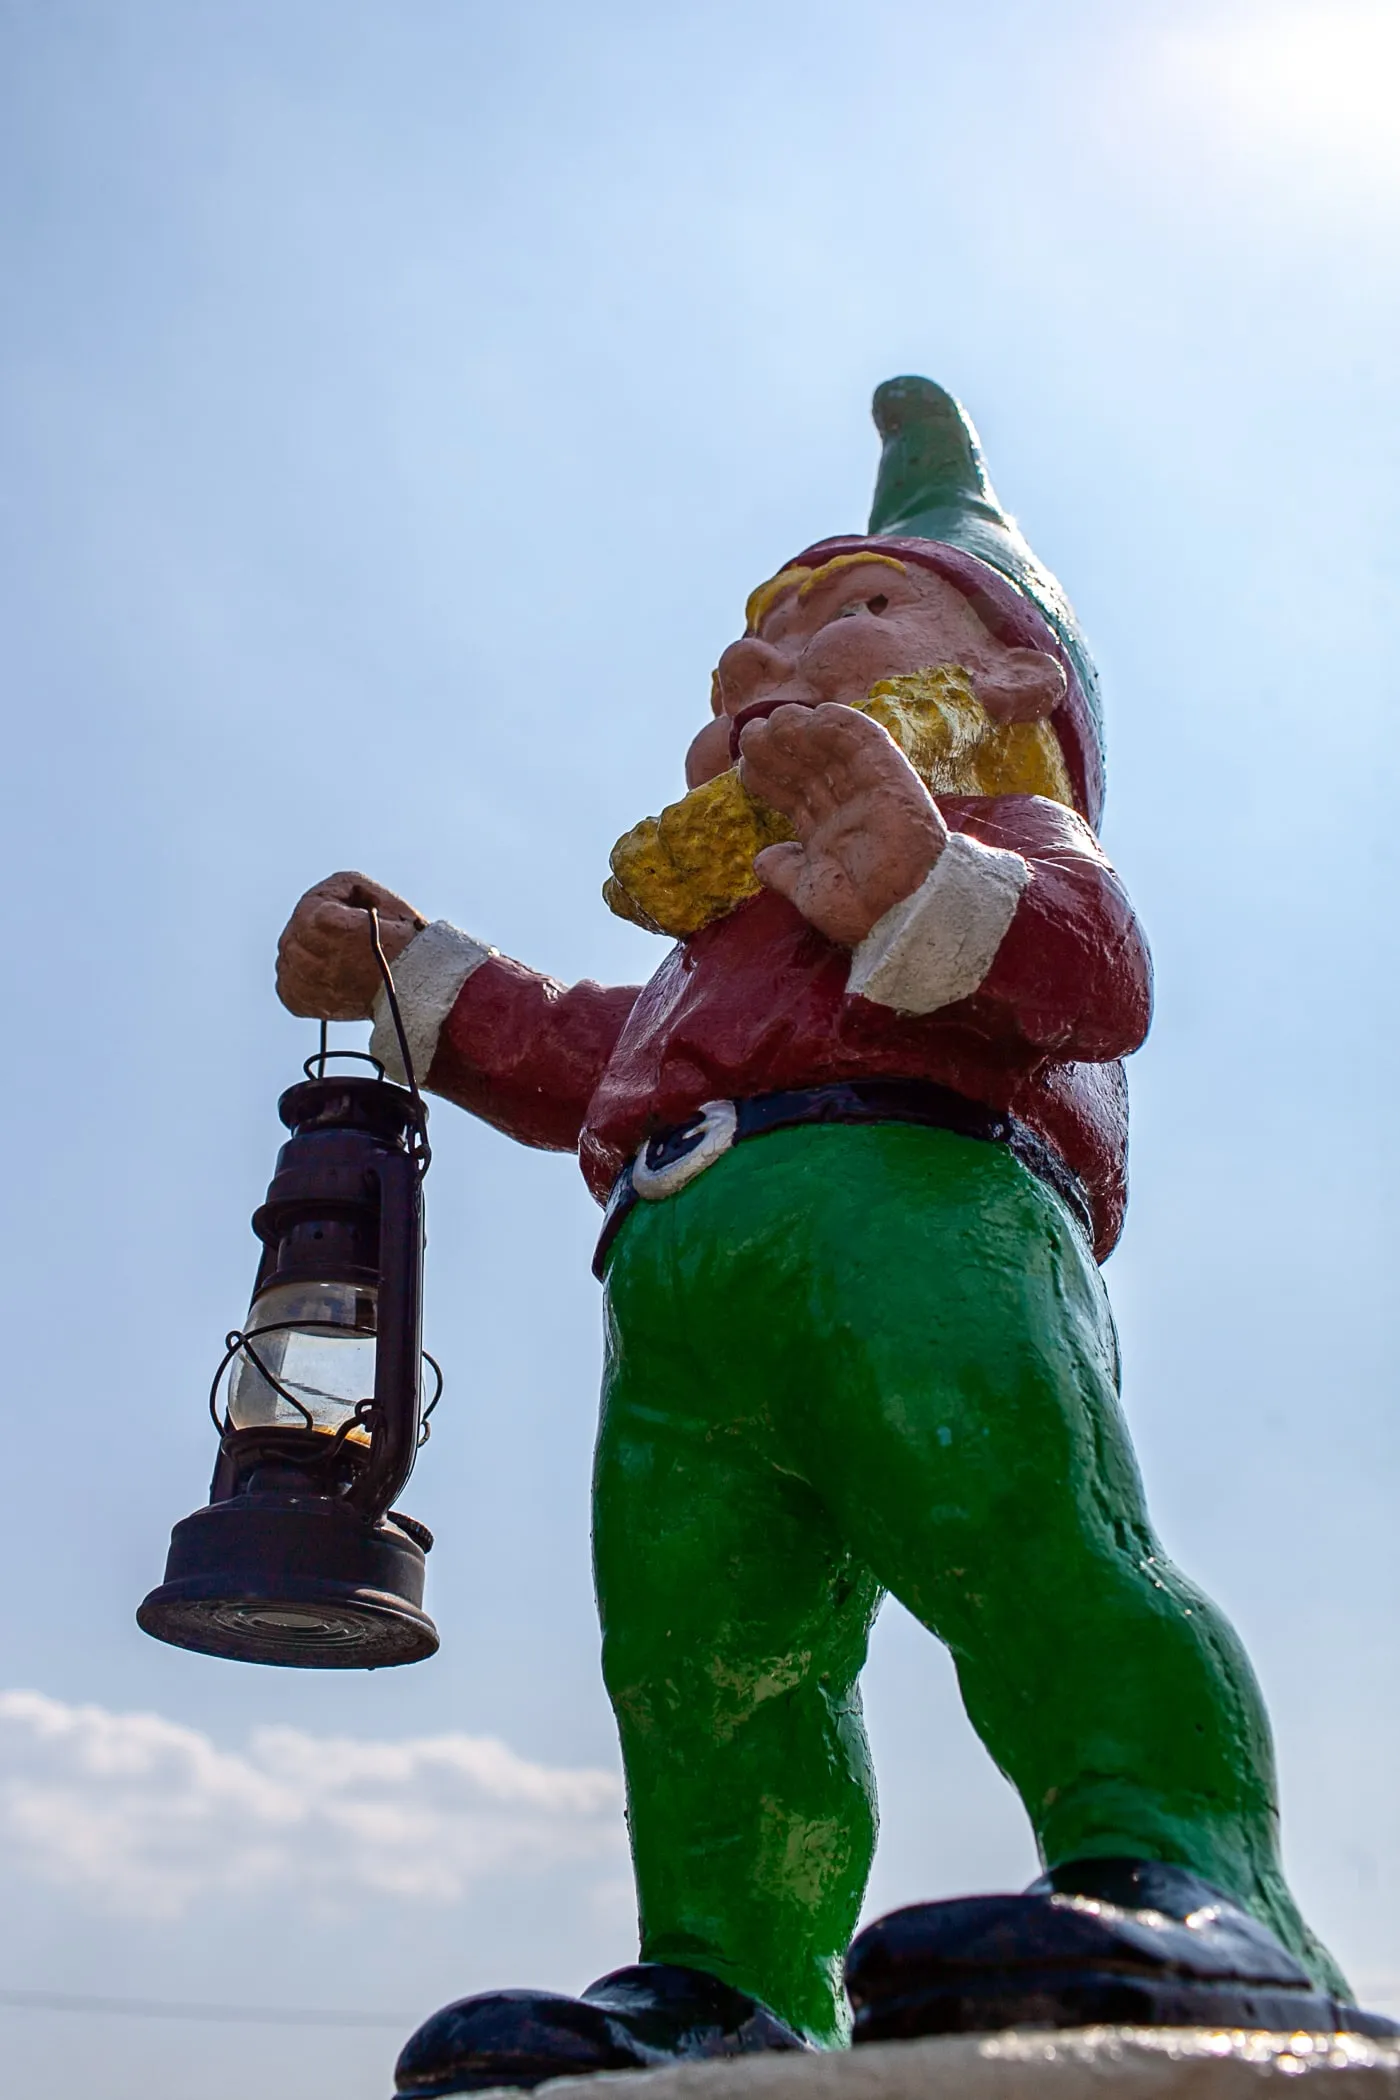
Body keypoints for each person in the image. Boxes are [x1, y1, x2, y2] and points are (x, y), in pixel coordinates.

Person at [277, 380, 1360, 2097]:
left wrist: (914, 879)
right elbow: (585, 1049)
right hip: (680, 1288)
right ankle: (727, 1964)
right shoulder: (723, 937)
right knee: (700, 1656)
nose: (754, 666)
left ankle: (1190, 1872)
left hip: (920, 1215)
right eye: (748, 643)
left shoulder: (1010, 820)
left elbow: (1096, 975)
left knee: (1028, 1533)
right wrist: (418, 980)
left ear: (1019, 685)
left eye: (850, 611)